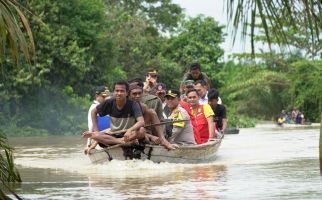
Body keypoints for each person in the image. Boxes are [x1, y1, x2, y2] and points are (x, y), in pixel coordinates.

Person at [82, 80, 145, 146]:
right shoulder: (109, 102)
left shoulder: (133, 104)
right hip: (113, 135)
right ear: (114, 92)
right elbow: (93, 112)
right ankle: (121, 142)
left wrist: (129, 130)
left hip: (128, 135)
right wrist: (96, 131)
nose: (119, 93)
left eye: (122, 91)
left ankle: (120, 141)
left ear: (127, 93)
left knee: (142, 130)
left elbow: (141, 122)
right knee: (95, 135)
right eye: (117, 91)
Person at [128, 83, 177, 150]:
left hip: (141, 133)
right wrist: (150, 136)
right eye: (134, 94)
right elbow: (128, 129)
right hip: (127, 134)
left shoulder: (143, 107)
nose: (137, 96)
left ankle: (163, 140)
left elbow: (143, 126)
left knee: (151, 112)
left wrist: (156, 137)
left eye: (139, 93)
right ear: (128, 95)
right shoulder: (125, 106)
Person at [84, 86, 110, 155]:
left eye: (106, 97)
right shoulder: (94, 108)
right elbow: (91, 127)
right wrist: (90, 143)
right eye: (103, 97)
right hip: (97, 139)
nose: (105, 99)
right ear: (97, 96)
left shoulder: (105, 106)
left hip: (107, 136)